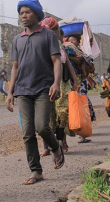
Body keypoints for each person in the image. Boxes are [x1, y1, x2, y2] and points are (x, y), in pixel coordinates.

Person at [6, 0, 64, 185]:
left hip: (43, 89)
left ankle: (55, 147)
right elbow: (15, 67)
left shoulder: (48, 35)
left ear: (37, 14)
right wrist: (10, 92)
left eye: (27, 12)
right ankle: (36, 171)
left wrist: (56, 83)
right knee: (27, 132)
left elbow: (56, 61)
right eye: (21, 13)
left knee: (41, 126)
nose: (23, 15)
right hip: (22, 90)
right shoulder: (17, 39)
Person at [39, 17, 79, 156]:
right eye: (49, 30)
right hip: (46, 84)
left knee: (63, 113)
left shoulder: (59, 45)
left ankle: (61, 141)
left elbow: (66, 62)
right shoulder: (40, 44)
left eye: (55, 29)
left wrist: (74, 79)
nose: (53, 32)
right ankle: (47, 146)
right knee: (47, 116)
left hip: (62, 83)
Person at [64, 34, 96, 143]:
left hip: (80, 80)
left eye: (74, 40)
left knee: (82, 102)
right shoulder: (64, 50)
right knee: (73, 104)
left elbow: (81, 61)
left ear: (78, 42)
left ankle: (83, 131)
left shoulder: (79, 53)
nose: (71, 42)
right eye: (69, 40)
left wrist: (69, 57)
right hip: (69, 82)